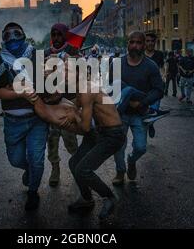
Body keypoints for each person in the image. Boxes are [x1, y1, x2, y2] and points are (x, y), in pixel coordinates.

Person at [22, 71, 125, 220]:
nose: (59, 85)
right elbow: (76, 107)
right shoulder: (78, 90)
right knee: (73, 163)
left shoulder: (85, 91)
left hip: (112, 134)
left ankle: (109, 197)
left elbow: (85, 127)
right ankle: (86, 199)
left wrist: (74, 116)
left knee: (83, 169)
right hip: (100, 131)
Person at [0, 22, 49, 211]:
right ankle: (28, 170)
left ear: (23, 35)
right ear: (3, 39)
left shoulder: (37, 57)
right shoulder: (0, 62)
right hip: (12, 122)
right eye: (7, 35)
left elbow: (47, 86)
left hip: (37, 119)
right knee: (16, 159)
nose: (12, 38)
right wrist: (20, 93)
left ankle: (33, 192)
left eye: (16, 33)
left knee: (36, 159)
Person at [111, 31, 164, 186]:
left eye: (138, 42)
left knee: (141, 147)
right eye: (131, 42)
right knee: (118, 145)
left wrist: (141, 103)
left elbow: (158, 90)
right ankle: (120, 171)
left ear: (143, 45)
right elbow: (110, 86)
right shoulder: (117, 64)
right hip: (120, 113)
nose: (134, 45)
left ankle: (132, 160)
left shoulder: (151, 66)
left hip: (140, 114)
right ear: (127, 44)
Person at [43, 23, 79, 187]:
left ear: (65, 35)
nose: (56, 38)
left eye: (59, 34)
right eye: (53, 34)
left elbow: (80, 78)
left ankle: (78, 168)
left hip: (68, 104)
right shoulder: (45, 53)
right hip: (50, 106)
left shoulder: (74, 52)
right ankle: (55, 169)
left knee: (70, 139)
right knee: (52, 140)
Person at [144, 33, 168, 138]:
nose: (150, 43)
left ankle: (151, 124)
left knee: (154, 110)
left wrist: (163, 78)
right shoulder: (141, 54)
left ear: (155, 42)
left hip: (155, 87)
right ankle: (145, 129)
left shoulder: (159, 54)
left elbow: (162, 67)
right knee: (144, 111)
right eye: (148, 41)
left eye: (152, 41)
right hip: (143, 87)